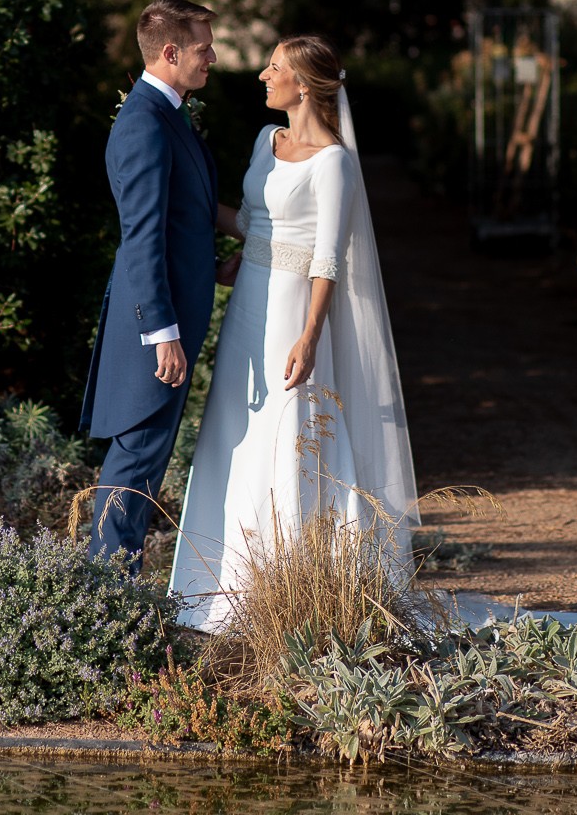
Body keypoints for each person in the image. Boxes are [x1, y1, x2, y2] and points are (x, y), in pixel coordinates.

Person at [170, 34, 419, 632]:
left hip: (291, 312)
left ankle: (289, 585)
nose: (262, 75)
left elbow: (327, 259)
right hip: (247, 304)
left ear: (303, 85)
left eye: (274, 67)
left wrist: (309, 336)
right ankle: (212, 585)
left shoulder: (335, 163)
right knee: (235, 429)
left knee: (288, 434)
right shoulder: (266, 139)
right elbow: (251, 221)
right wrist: (185, 200)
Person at [79, 0, 230, 567]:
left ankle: (112, 586)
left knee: (145, 459)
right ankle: (108, 590)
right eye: (203, 48)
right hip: (153, 324)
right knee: (137, 456)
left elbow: (179, 218)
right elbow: (141, 235)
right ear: (170, 52)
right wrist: (162, 333)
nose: (212, 57)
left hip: (169, 310)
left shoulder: (168, 113)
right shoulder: (144, 122)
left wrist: (214, 267)